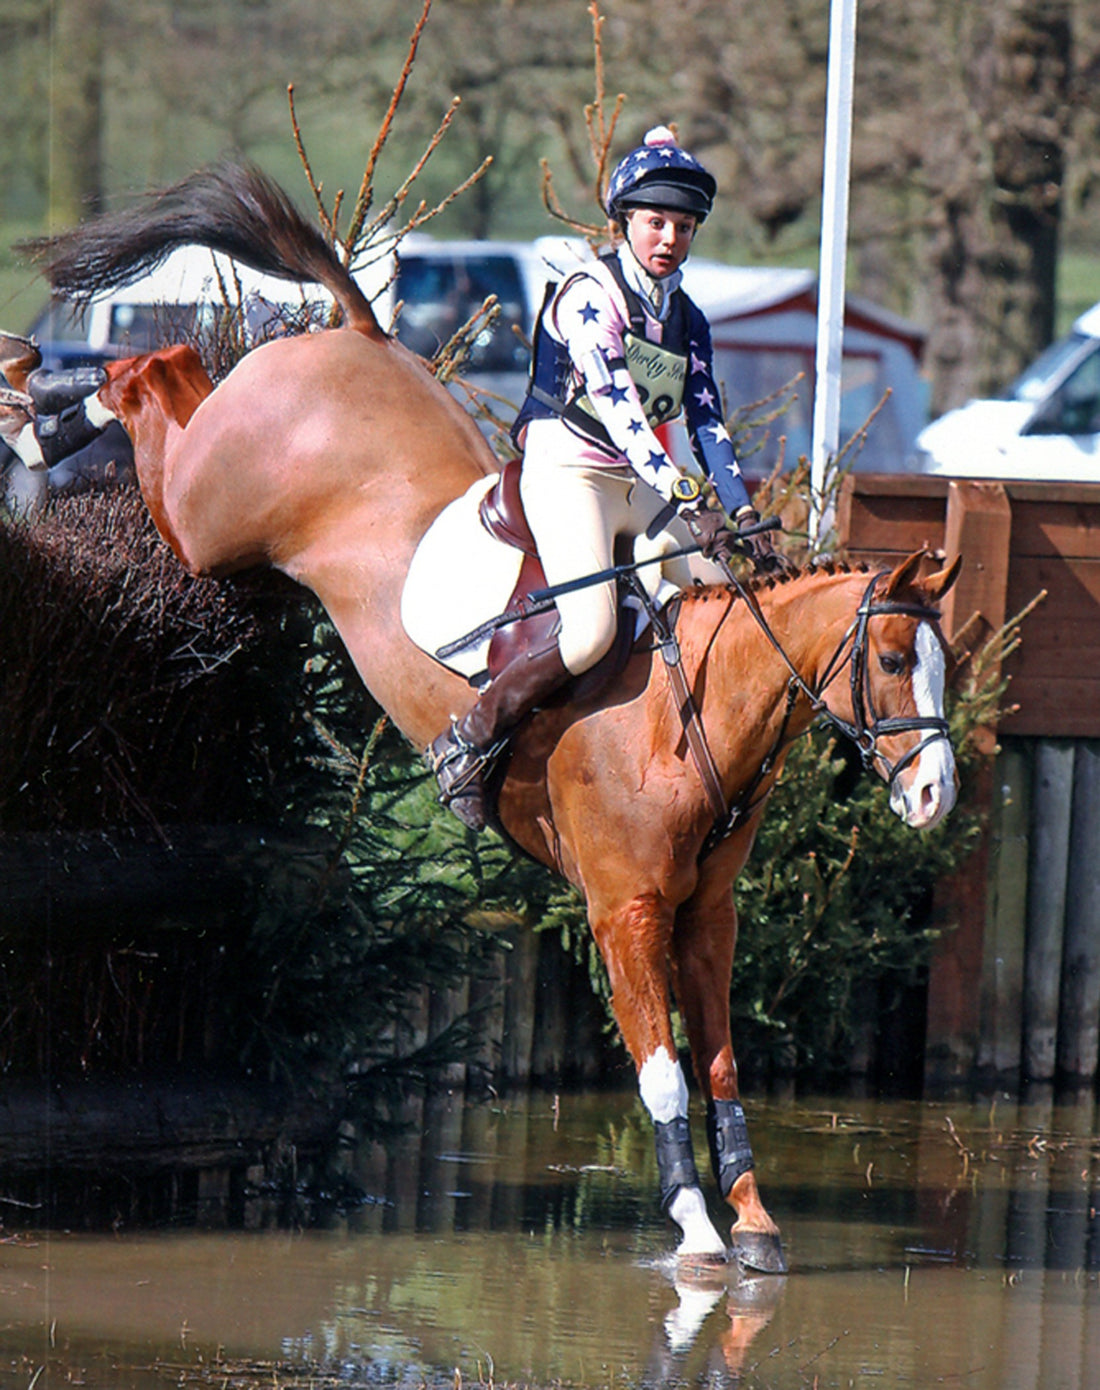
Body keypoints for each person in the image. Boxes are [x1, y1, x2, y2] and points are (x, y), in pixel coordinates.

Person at [428, 125, 780, 831]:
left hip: (631, 478)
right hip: (568, 467)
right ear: (625, 223)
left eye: (683, 226)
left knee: (717, 589)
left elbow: (708, 423)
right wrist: (687, 496)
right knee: (588, 633)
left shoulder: (688, 319)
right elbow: (622, 414)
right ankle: (466, 740)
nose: (670, 238)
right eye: (656, 222)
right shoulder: (593, 293)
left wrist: (741, 516)